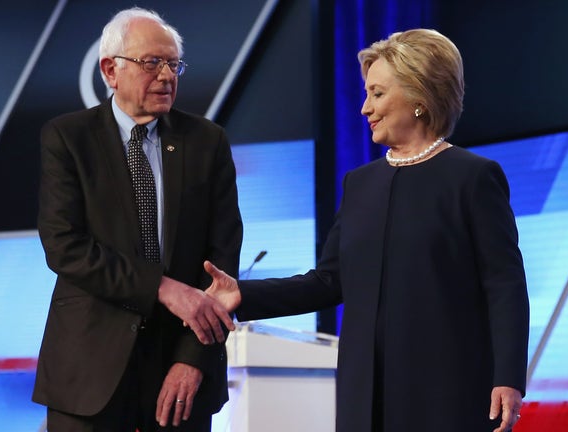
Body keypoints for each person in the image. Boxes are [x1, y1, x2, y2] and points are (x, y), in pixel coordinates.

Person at [205, 29, 529, 431]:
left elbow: (505, 285)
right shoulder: (359, 184)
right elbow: (329, 281)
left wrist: (508, 377)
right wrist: (243, 294)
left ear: (417, 97)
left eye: (377, 94)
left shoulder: (473, 178)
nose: (364, 108)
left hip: (445, 391)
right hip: (364, 396)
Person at [32, 7, 243, 431]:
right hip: (89, 373)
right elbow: (64, 246)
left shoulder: (206, 142)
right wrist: (162, 288)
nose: (166, 75)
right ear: (110, 70)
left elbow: (221, 264)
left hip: (178, 377)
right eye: (152, 63)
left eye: (173, 64)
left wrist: (193, 359)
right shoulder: (68, 138)